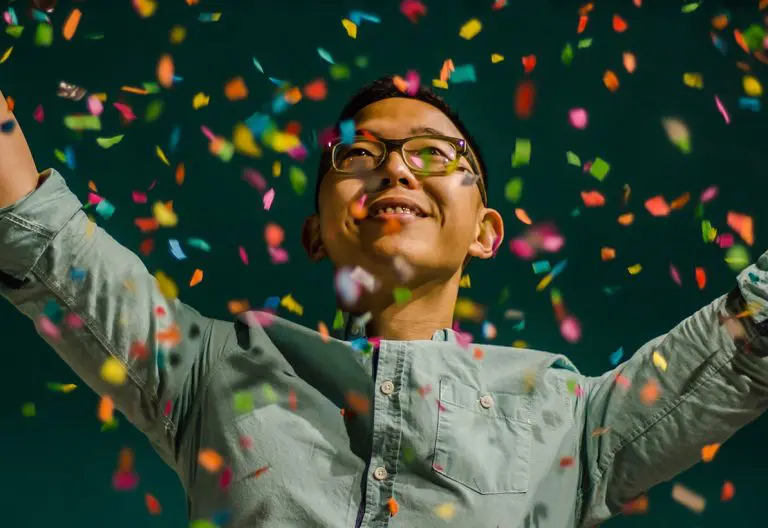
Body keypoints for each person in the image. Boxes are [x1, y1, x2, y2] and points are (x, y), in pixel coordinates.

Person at [1, 76, 767, 528]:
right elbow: (41, 236)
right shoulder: (208, 370)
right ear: (316, 233)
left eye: (434, 155)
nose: (396, 170)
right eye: (360, 155)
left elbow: (751, 331)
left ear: (487, 232)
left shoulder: (579, 417)